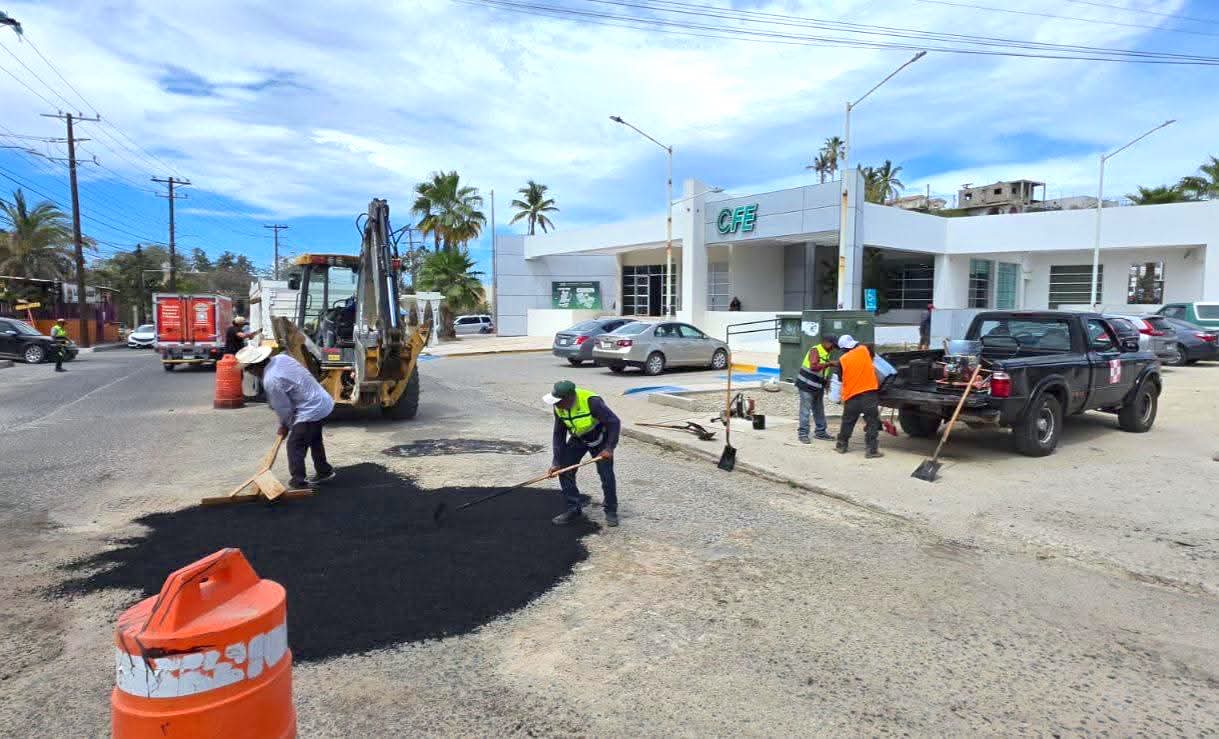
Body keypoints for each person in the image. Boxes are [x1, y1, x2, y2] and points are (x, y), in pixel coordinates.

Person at [236, 345, 336, 489]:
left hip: (311, 408)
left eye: (248, 370)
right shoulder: (281, 358)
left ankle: (299, 481)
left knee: (295, 444)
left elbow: (284, 409)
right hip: (321, 400)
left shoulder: (271, 380)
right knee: (313, 437)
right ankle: (324, 471)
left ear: (254, 368)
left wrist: (286, 426)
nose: (250, 373)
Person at [543, 380, 621, 527]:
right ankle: (574, 508)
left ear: (570, 398)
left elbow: (614, 422)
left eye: (559, 401)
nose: (556, 404)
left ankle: (611, 510)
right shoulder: (559, 407)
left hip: (600, 439)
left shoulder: (592, 402)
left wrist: (609, 448)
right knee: (564, 470)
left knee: (606, 475)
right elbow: (558, 435)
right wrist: (556, 462)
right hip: (578, 438)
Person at [834, 334, 883, 458]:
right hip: (869, 394)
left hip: (851, 396)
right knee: (872, 422)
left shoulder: (842, 360)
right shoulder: (864, 350)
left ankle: (841, 445)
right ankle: (871, 450)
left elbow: (839, 379)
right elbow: (871, 345)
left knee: (847, 422)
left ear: (843, 349)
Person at [795, 334, 836, 443]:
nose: (833, 348)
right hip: (806, 385)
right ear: (827, 343)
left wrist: (826, 383)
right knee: (805, 410)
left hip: (817, 386)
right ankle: (803, 434)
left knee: (819, 410)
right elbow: (814, 367)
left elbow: (822, 372)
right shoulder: (815, 350)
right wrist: (829, 364)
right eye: (832, 346)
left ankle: (820, 432)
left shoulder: (826, 352)